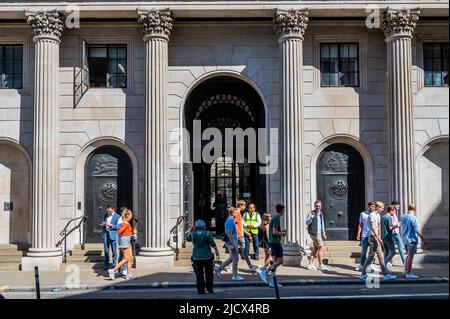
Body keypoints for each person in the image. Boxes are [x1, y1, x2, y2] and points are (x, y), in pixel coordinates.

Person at [360, 201, 396, 281]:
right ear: (378, 207)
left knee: (376, 256)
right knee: (374, 256)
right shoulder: (372, 215)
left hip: (376, 238)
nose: (383, 209)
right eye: (382, 208)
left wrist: (380, 237)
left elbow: (379, 226)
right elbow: (373, 227)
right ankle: (364, 274)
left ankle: (383, 274)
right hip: (373, 238)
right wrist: (377, 238)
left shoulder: (378, 215)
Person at [186, 219, 220, 294]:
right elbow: (213, 244)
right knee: (209, 274)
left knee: (199, 275)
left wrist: (191, 230)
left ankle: (201, 290)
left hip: (196, 257)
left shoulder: (193, 234)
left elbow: (187, 238)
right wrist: (217, 252)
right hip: (207, 256)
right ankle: (209, 289)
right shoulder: (207, 233)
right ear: (204, 226)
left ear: (196, 227)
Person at [259, 204, 286, 288]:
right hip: (275, 243)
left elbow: (273, 231)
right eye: (284, 209)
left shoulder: (274, 218)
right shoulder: (277, 219)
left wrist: (281, 231)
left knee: (274, 263)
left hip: (272, 242)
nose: (284, 211)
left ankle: (272, 281)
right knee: (280, 261)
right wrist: (282, 233)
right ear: (281, 210)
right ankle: (265, 272)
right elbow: (274, 232)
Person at [215, 207, 244, 281]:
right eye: (236, 213)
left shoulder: (230, 220)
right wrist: (233, 244)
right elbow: (229, 234)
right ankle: (235, 275)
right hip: (232, 242)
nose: (237, 214)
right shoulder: (230, 221)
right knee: (236, 258)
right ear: (232, 213)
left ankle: (218, 269)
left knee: (231, 259)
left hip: (232, 242)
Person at [401, 204, 427, 279]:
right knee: (410, 257)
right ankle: (408, 273)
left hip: (405, 239)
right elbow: (417, 230)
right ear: (415, 209)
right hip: (411, 239)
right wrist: (423, 239)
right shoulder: (413, 218)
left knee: (408, 255)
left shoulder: (403, 216)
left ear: (408, 208)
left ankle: (406, 270)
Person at [108, 209, 135, 280]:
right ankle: (113, 271)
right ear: (127, 215)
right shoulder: (126, 223)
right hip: (125, 241)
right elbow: (119, 232)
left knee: (129, 259)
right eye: (131, 214)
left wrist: (130, 235)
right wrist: (128, 234)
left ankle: (129, 275)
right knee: (126, 259)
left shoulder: (126, 223)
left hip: (127, 241)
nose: (132, 216)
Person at [305, 200, 329, 271]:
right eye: (317, 206)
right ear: (314, 206)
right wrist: (311, 218)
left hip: (318, 233)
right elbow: (307, 223)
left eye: (319, 206)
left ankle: (310, 264)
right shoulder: (311, 213)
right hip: (314, 233)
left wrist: (324, 234)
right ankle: (321, 264)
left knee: (315, 249)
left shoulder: (321, 214)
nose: (318, 207)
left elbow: (322, 224)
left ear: (321, 207)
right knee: (321, 247)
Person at [235, 200, 258, 272]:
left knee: (242, 252)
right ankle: (228, 267)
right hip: (239, 236)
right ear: (241, 205)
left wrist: (245, 233)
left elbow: (240, 225)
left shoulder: (239, 213)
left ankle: (250, 266)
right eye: (244, 206)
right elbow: (235, 226)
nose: (245, 207)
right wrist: (241, 234)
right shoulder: (237, 213)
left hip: (241, 235)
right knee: (241, 252)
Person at [356, 201, 377, 272]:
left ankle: (370, 265)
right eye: (372, 206)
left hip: (372, 235)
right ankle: (361, 265)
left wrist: (378, 235)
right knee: (363, 251)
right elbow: (360, 225)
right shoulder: (363, 214)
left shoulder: (375, 214)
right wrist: (358, 234)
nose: (373, 208)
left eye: (374, 206)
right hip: (365, 235)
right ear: (368, 206)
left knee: (371, 252)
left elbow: (378, 225)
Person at [100, 205, 122, 270]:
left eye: (109, 211)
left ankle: (114, 265)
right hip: (106, 234)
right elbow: (105, 223)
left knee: (114, 251)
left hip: (113, 235)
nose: (108, 212)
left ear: (113, 209)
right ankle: (106, 266)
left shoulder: (118, 216)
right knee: (106, 251)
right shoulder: (106, 215)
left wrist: (112, 226)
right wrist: (103, 224)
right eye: (107, 211)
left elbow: (120, 226)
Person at [390, 200, 406, 266]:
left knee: (394, 248)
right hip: (394, 233)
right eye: (398, 206)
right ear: (394, 205)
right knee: (401, 247)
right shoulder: (392, 214)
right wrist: (398, 224)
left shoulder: (394, 213)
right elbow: (391, 224)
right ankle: (405, 262)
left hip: (395, 233)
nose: (399, 207)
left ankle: (388, 261)